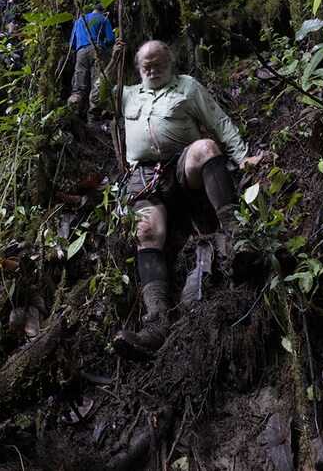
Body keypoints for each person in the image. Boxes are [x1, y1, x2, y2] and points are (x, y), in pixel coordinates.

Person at [109, 40, 255, 360]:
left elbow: (217, 121)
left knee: (205, 147)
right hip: (145, 178)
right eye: (146, 64)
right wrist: (112, 62)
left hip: (181, 166)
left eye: (157, 61)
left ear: (169, 60)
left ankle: (238, 238)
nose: (152, 68)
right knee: (145, 232)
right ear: (138, 67)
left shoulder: (187, 86)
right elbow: (96, 99)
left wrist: (243, 157)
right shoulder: (127, 93)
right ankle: (157, 323)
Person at [66, 3, 116, 115]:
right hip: (97, 50)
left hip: (81, 52)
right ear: (103, 11)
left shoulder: (80, 20)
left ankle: (74, 109)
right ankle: (94, 110)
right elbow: (111, 39)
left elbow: (71, 43)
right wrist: (103, 46)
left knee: (79, 85)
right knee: (97, 81)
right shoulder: (103, 19)